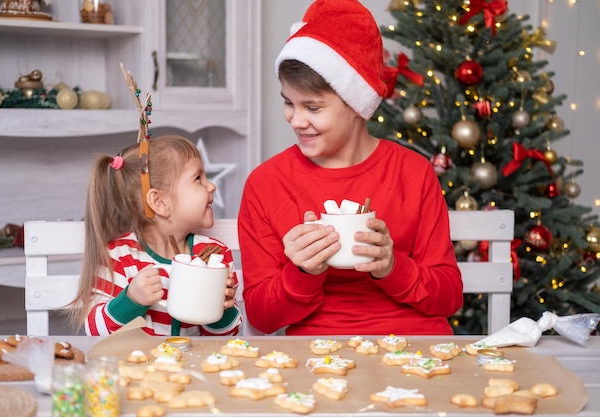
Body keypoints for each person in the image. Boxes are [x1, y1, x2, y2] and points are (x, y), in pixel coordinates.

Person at [238, 0, 463, 336]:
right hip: (318, 356)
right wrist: (302, 272)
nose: (296, 120)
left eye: (312, 107)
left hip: (416, 347)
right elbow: (261, 316)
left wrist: (391, 266)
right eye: (288, 102)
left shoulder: (413, 172)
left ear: (357, 104)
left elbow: (449, 298)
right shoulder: (266, 183)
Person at [71, 134, 242, 336]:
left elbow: (228, 336)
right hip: (137, 366)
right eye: (198, 178)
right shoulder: (119, 257)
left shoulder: (216, 256)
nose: (212, 186)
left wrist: (221, 309)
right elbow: (94, 331)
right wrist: (131, 301)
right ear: (160, 202)